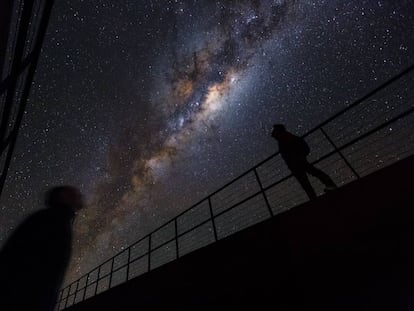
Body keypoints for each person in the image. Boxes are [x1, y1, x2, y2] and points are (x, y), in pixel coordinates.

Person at [0, 186, 84, 311]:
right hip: (22, 300)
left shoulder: (54, 219)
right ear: (63, 196)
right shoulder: (52, 219)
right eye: (74, 192)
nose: (79, 195)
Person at [271, 124, 337, 199]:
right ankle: (329, 186)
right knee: (311, 177)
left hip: (297, 163)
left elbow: (301, 147)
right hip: (297, 163)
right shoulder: (285, 138)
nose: (273, 135)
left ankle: (320, 193)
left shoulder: (286, 138)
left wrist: (300, 157)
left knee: (307, 181)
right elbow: (303, 146)